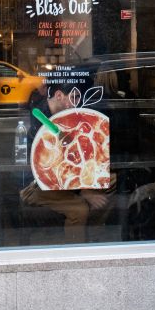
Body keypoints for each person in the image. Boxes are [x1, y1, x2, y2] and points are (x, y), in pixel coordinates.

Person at [20, 81, 115, 242]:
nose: (79, 102)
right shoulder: (42, 120)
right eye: (75, 97)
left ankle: (89, 234)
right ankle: (76, 253)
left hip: (68, 179)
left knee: (113, 179)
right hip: (39, 184)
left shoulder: (64, 115)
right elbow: (59, 168)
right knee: (80, 210)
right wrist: (85, 191)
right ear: (58, 96)